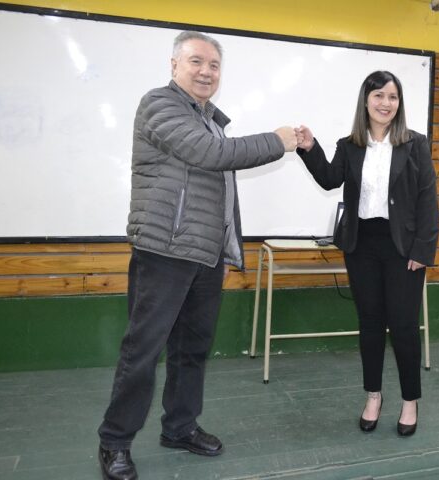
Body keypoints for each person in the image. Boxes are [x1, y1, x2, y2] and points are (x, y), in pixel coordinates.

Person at [97, 31, 297, 480]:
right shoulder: (160, 105)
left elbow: (216, 164)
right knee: (143, 352)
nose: (206, 71)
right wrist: (277, 139)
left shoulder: (211, 119)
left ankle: (180, 427)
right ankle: (114, 442)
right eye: (196, 62)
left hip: (205, 254)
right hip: (164, 250)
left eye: (214, 65)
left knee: (192, 350)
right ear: (174, 66)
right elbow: (212, 155)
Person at [295, 70, 439, 437]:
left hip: (403, 248)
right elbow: (329, 179)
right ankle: (373, 396)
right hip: (362, 246)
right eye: (378, 96)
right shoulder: (350, 145)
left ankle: (410, 401)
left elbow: (427, 201)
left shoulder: (416, 144)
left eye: (392, 97)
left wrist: (423, 250)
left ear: (399, 103)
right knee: (371, 324)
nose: (385, 103)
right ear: (366, 100)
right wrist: (310, 148)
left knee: (404, 326)